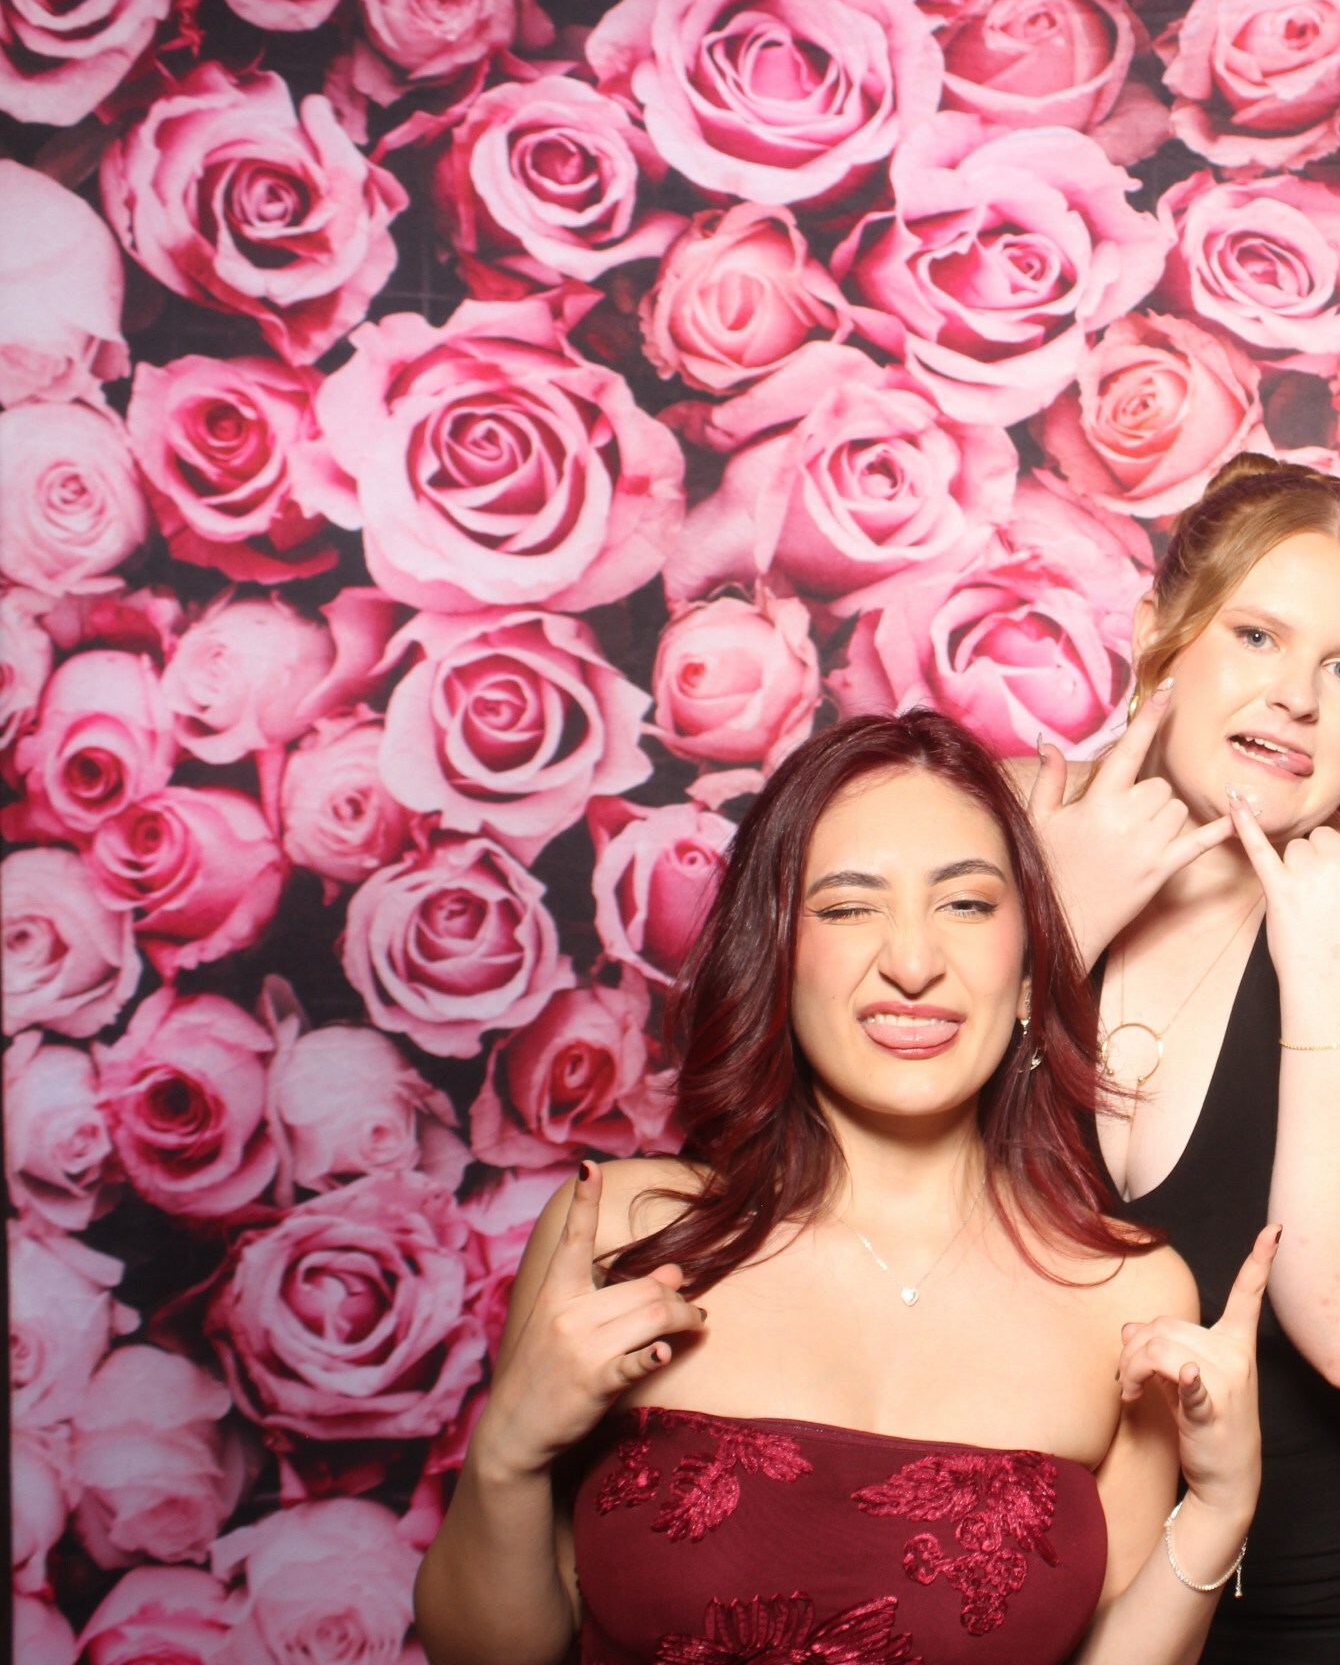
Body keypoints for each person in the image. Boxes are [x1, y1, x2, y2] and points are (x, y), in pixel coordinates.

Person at [416, 710, 1277, 1665]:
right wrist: (508, 1452)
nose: (911, 963)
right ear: (775, 957)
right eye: (847, 908)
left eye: (966, 905)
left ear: (1034, 972)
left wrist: (1221, 1506)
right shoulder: (620, 1231)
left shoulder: (1129, 1298)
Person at [1009, 455, 1340, 1664]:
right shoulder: (1008, 831)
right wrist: (1052, 934)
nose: (1297, 697)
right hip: (1068, 1603)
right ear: (1157, 633)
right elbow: (839, 1180)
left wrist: (1334, 985)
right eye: (1256, 636)